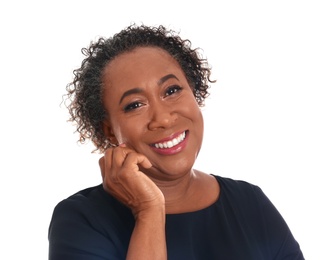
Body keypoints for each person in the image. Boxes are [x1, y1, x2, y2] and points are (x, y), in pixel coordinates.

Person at [48, 24, 304, 260]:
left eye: (171, 91)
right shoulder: (81, 219)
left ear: (194, 92)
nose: (163, 119)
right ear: (111, 132)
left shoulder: (250, 203)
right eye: (135, 105)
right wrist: (148, 211)